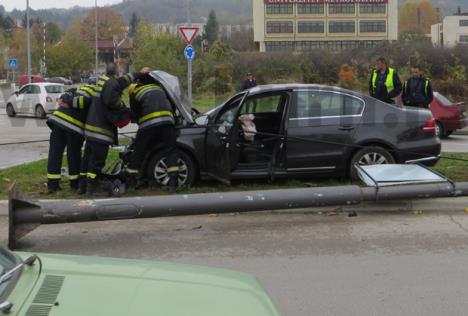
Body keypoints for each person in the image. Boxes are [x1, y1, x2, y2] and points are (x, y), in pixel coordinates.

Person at [80, 63, 147, 196]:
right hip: (101, 131)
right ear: (116, 72)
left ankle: (82, 187)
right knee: (97, 162)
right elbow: (111, 100)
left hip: (91, 128)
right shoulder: (111, 84)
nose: (121, 73)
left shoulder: (105, 81)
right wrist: (122, 105)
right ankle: (92, 189)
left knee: (87, 159)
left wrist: (137, 74)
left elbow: (121, 82)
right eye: (120, 70)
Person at [125, 76, 179, 192]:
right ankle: (173, 184)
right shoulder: (160, 88)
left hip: (148, 125)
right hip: (167, 123)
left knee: (139, 151)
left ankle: (131, 182)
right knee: (171, 151)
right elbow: (173, 105)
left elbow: (135, 113)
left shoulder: (137, 91)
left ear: (138, 83)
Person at [45, 84, 96, 193]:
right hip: (74, 128)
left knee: (55, 153)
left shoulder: (75, 90)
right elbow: (83, 102)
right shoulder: (93, 95)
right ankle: (74, 183)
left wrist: (68, 101)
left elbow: (64, 97)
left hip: (57, 122)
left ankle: (52, 185)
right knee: (74, 155)